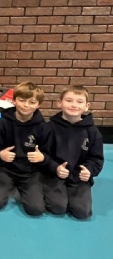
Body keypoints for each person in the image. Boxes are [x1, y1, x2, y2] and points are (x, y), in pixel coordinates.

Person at [0, 82, 51, 216]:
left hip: (31, 173)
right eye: (22, 100)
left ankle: (26, 188)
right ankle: (10, 186)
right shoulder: (2, 123)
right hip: (6, 169)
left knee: (36, 209)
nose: (26, 105)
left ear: (38, 105)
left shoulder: (43, 127)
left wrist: (42, 157)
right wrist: (0, 154)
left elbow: (49, 154)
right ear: (14, 101)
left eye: (32, 102)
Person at [43, 85, 104, 219]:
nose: (74, 105)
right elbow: (43, 155)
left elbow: (96, 158)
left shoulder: (93, 132)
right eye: (69, 100)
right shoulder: (49, 128)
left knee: (82, 212)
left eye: (79, 102)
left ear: (87, 106)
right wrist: (55, 167)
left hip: (78, 177)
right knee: (57, 207)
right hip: (54, 175)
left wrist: (89, 170)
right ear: (59, 103)